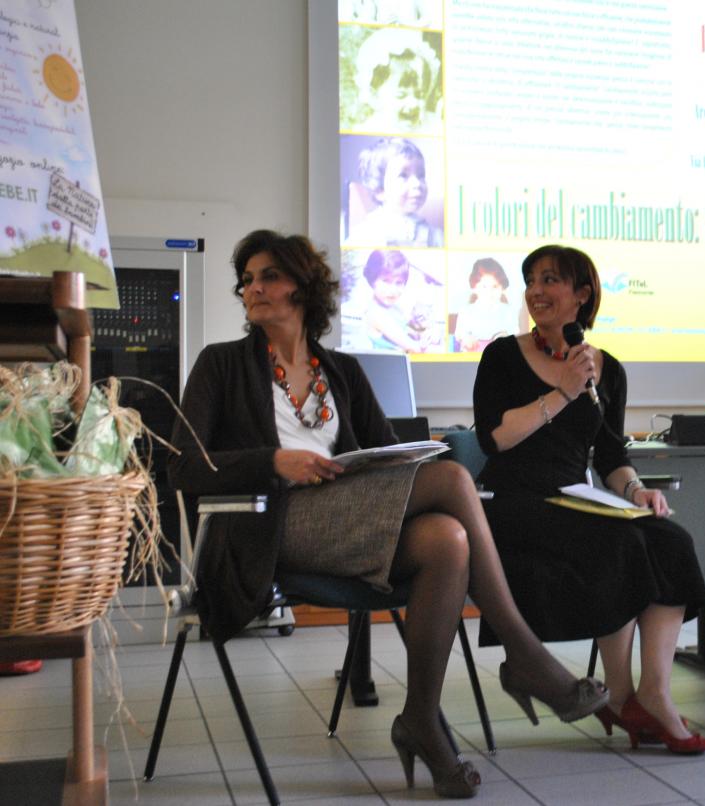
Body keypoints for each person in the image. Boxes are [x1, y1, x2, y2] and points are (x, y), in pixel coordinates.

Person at [169, 230, 607, 799]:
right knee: (453, 479)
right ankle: (525, 655)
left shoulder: (341, 371)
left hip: (346, 519)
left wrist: (403, 457)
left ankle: (421, 718)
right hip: (270, 525)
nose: (253, 288)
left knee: (447, 539)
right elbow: (183, 465)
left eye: (269, 276)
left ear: (303, 287)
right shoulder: (222, 364)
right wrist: (274, 461)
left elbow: (385, 454)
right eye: (247, 279)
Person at [472, 244, 705, 754]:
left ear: (582, 295)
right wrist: (562, 391)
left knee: (669, 539)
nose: (536, 291)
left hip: (574, 496)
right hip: (512, 499)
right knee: (619, 543)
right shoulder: (502, 356)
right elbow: (495, 439)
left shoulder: (608, 369)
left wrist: (636, 490)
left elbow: (610, 455)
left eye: (550, 280)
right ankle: (621, 695)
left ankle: (654, 692)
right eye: (531, 281)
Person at [352, 138, 443, 247]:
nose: (417, 183)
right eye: (403, 175)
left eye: (421, 176)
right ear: (379, 190)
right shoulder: (367, 233)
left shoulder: (433, 234)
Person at [361, 249, 443, 353]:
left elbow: (414, 330)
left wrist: (427, 334)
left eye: (399, 283)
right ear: (372, 280)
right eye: (386, 281)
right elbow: (414, 348)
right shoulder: (376, 314)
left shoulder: (395, 308)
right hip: (388, 362)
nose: (393, 290)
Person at [454, 257, 516, 352]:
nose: (489, 292)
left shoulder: (509, 312)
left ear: (502, 288)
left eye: (494, 287)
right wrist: (466, 338)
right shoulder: (466, 312)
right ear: (474, 288)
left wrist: (506, 338)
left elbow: (516, 335)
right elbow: (459, 335)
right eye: (484, 287)